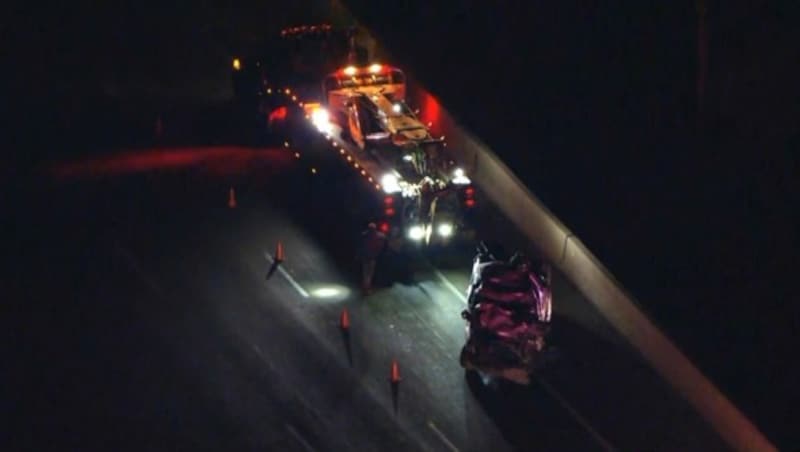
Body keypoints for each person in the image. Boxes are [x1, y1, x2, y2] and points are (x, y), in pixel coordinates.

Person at [359, 222, 387, 294]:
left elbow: (361, 245)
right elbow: (383, 238)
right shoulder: (379, 236)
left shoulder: (364, 235)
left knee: (365, 273)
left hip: (365, 257)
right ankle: (367, 289)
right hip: (372, 258)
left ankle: (365, 288)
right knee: (370, 274)